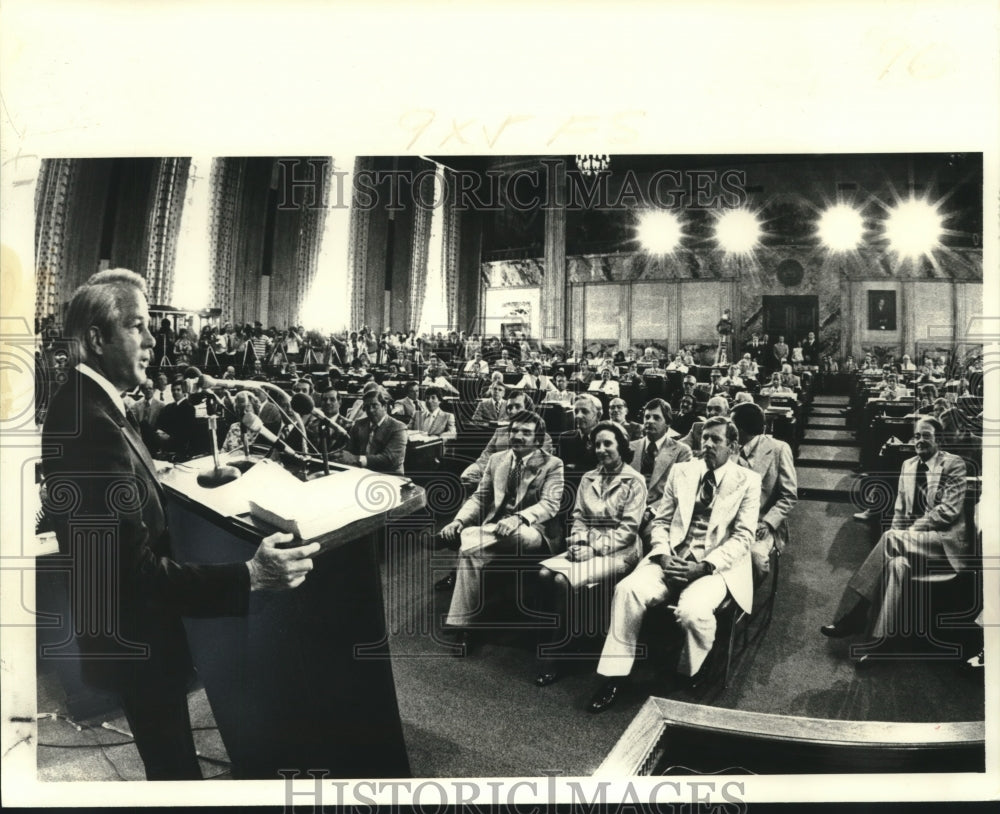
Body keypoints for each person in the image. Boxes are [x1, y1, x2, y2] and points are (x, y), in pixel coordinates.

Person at [41, 269, 318, 780]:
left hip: (131, 633)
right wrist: (249, 577)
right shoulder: (89, 425)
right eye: (137, 326)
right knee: (172, 771)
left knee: (169, 761)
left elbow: (115, 491)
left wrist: (160, 474)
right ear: (98, 339)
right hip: (136, 636)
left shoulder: (88, 405)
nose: (152, 342)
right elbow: (129, 572)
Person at [584, 417, 761, 711]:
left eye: (715, 439)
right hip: (672, 556)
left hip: (714, 567)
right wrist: (664, 554)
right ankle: (614, 675)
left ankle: (692, 668)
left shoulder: (748, 481)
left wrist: (703, 566)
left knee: (693, 613)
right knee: (628, 590)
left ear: (732, 445)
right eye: (704, 438)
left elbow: (743, 538)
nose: (706, 444)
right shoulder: (682, 471)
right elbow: (662, 521)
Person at [820, 417, 969, 657]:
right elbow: (900, 510)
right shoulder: (908, 465)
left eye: (926, 436)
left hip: (943, 543)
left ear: (938, 439)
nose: (920, 440)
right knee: (897, 565)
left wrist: (907, 533)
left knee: (890, 538)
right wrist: (903, 532)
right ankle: (881, 642)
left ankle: (856, 614)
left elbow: (947, 512)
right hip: (911, 542)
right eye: (917, 436)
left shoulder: (954, 464)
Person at [440, 411, 564, 651]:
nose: (518, 436)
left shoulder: (552, 464)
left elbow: (550, 504)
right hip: (493, 530)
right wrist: (458, 521)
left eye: (526, 433)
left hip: (532, 531)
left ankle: (465, 536)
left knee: (473, 539)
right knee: (469, 553)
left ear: (538, 439)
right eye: (515, 431)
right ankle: (464, 627)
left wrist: (519, 518)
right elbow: (480, 497)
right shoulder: (497, 459)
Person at [535, 422, 647, 686]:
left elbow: (628, 531)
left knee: (562, 581)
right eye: (597, 444)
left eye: (608, 443)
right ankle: (564, 635)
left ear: (621, 445)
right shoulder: (588, 478)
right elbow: (578, 518)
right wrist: (579, 543)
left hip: (621, 552)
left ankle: (558, 653)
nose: (601, 449)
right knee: (542, 574)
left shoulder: (635, 480)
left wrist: (593, 548)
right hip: (587, 547)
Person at [730, 402, 798, 576]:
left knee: (755, 559)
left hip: (763, 522)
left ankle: (746, 598)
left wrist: (767, 523)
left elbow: (788, 496)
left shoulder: (778, 449)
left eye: (731, 426)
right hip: (730, 520)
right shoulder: (729, 449)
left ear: (741, 429)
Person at [631, 399, 693, 544]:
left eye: (656, 417)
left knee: (652, 540)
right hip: (628, 511)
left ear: (668, 423)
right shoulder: (630, 448)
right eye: (647, 417)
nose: (649, 421)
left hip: (659, 515)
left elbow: (681, 490)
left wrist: (650, 511)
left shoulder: (681, 451)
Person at [334, 386, 408, 474]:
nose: (370, 410)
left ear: (384, 406)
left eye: (374, 406)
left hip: (389, 477)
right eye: (367, 407)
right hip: (362, 474)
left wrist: (355, 458)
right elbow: (349, 450)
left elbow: (389, 459)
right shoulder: (359, 424)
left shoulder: (398, 428)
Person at [557, 393, 602, 472]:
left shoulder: (605, 438)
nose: (578, 416)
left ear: (598, 415)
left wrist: (576, 467)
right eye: (576, 411)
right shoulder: (565, 438)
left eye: (584, 411)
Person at [156, 378, 196, 458]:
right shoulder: (168, 407)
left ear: (184, 392)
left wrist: (169, 437)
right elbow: (160, 423)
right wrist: (160, 432)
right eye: (173, 390)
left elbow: (187, 431)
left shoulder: (189, 408)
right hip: (165, 441)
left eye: (178, 390)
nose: (175, 392)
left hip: (179, 444)